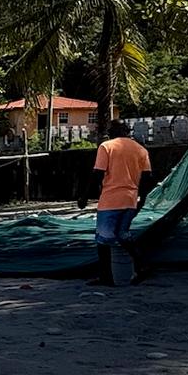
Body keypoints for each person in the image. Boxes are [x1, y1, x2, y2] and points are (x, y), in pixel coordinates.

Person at [82, 120, 153, 285]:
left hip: (111, 200)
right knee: (123, 234)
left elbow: (98, 173)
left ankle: (107, 277)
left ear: (111, 132)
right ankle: (141, 265)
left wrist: (84, 196)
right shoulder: (141, 150)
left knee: (103, 239)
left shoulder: (106, 147)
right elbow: (147, 177)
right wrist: (142, 198)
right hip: (130, 199)